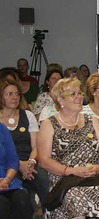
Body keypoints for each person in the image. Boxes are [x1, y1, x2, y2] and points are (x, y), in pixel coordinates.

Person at [37, 78, 99, 218]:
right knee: (76, 196)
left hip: (94, 176)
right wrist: (71, 171)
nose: (79, 97)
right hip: (65, 179)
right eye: (73, 94)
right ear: (60, 100)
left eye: (80, 93)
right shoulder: (49, 124)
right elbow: (43, 160)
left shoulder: (92, 121)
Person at [0, 80, 47, 214]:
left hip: (30, 161)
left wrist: (31, 162)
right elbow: (8, 156)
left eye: (17, 94)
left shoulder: (28, 115)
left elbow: (36, 145)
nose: (15, 97)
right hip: (7, 164)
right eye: (9, 94)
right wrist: (18, 165)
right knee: (19, 198)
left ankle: (48, 211)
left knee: (43, 176)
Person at [0, 122, 32, 219]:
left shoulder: (2, 128)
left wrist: (7, 179)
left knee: (21, 199)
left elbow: (13, 160)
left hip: (7, 180)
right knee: (2, 205)